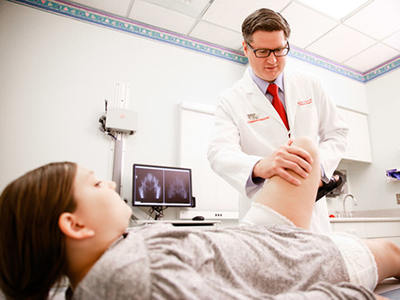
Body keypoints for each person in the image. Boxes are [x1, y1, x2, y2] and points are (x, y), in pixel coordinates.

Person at [0, 137, 399, 300]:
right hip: (297, 263)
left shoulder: (107, 270)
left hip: (255, 239)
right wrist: (346, 293)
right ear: (76, 225)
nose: (107, 182)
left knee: (304, 150)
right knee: (393, 252)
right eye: (94, 184)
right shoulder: (133, 277)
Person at [207, 8, 349, 234]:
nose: (272, 60)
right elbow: (219, 153)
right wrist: (260, 166)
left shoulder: (310, 83)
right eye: (262, 51)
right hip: (264, 211)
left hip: (312, 212)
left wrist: (317, 171)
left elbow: (338, 132)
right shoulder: (231, 100)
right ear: (246, 49)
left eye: (279, 50)